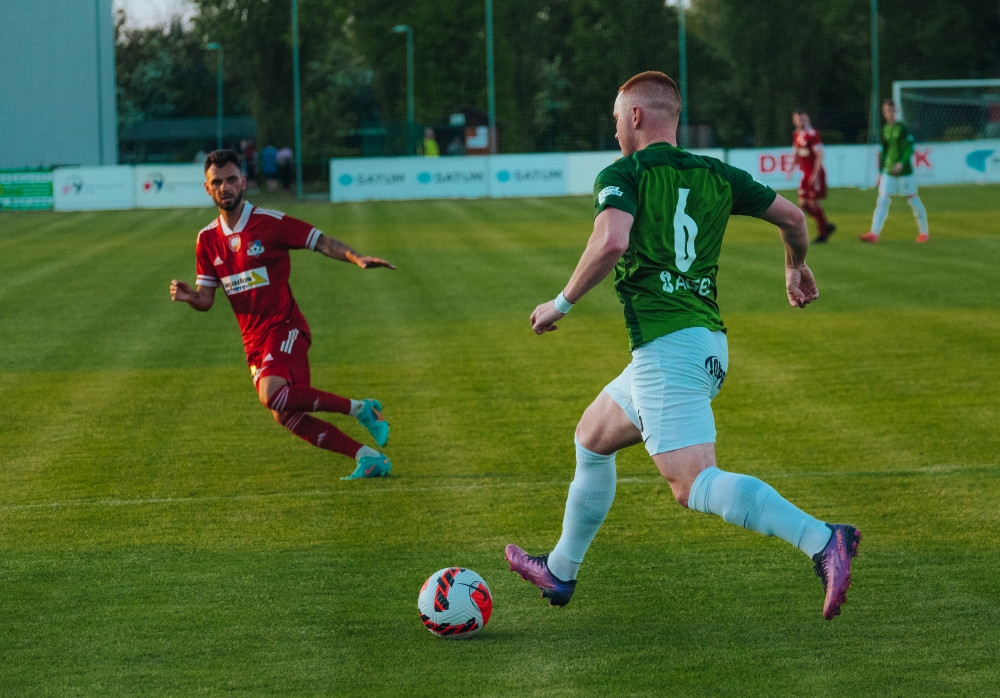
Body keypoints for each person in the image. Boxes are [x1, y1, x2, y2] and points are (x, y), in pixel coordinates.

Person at [504, 72, 860, 621]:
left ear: (638, 117)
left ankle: (822, 539)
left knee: (693, 484)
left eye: (618, 117)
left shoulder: (624, 172)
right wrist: (795, 265)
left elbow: (612, 239)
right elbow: (792, 218)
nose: (616, 127)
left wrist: (562, 303)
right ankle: (560, 570)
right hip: (702, 344)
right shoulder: (715, 173)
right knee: (593, 438)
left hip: (669, 350)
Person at [169, 149, 396, 479]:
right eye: (217, 182)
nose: (225, 187)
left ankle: (362, 409)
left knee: (271, 394)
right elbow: (206, 300)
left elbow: (320, 241)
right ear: (208, 189)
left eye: (231, 179)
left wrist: (356, 257)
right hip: (254, 344)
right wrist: (191, 297)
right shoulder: (206, 240)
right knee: (284, 413)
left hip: (286, 328)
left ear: (244, 182)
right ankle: (368, 457)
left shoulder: (269, 223)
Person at [860, 99, 929, 243]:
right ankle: (874, 234)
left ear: (895, 111)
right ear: (884, 113)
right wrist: (880, 172)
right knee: (883, 200)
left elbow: (909, 148)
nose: (890, 114)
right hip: (888, 171)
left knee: (913, 200)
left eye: (892, 111)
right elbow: (883, 151)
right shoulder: (885, 130)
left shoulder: (902, 128)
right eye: (887, 111)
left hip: (905, 172)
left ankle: (924, 232)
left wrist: (901, 163)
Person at [788, 111, 835, 243]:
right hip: (805, 174)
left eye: (803, 118)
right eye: (798, 119)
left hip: (815, 173)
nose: (801, 121)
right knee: (803, 204)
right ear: (794, 121)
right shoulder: (796, 134)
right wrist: (790, 169)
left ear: (807, 118)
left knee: (813, 203)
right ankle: (826, 225)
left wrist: (814, 175)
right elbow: (797, 153)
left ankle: (823, 234)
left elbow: (819, 156)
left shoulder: (813, 134)